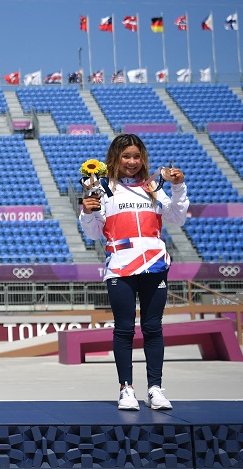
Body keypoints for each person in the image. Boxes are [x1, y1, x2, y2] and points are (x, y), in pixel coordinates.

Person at [79, 133, 188, 411]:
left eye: (136, 156)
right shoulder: (103, 188)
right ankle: (126, 389)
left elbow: (176, 218)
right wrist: (88, 212)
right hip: (120, 265)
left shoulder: (154, 187)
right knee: (124, 329)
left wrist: (178, 188)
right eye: (126, 156)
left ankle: (155, 389)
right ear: (115, 158)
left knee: (153, 328)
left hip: (154, 264)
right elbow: (93, 234)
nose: (131, 161)